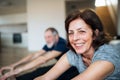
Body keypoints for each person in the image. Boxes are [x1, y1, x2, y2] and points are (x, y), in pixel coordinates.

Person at [34, 9, 120, 80]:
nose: (74, 38)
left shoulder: (107, 56)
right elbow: (45, 78)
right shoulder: (74, 54)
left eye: (81, 31)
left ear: (95, 34)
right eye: (71, 33)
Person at [0, 27, 72, 80]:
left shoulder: (62, 43)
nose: (47, 40)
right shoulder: (50, 43)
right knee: (39, 71)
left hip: (72, 67)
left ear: (56, 36)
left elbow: (43, 59)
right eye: (45, 37)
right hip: (61, 64)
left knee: (48, 75)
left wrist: (17, 70)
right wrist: (14, 65)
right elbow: (34, 55)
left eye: (49, 37)